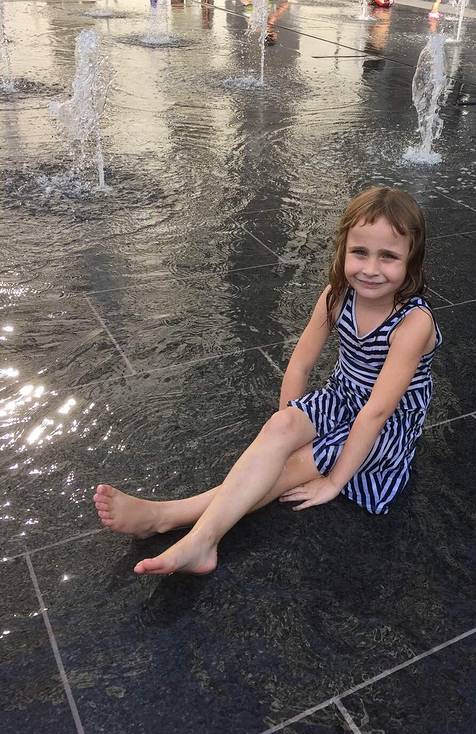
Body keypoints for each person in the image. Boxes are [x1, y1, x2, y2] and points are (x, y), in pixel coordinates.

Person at [93, 187, 443, 576]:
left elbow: (377, 412)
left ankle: (182, 526)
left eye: (388, 256)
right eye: (360, 252)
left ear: (411, 261)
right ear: (343, 249)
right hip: (343, 397)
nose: (370, 268)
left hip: (387, 424)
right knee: (280, 432)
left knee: (292, 468)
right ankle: (172, 522)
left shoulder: (413, 323)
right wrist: (284, 427)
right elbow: (300, 364)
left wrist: (333, 482)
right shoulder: (337, 295)